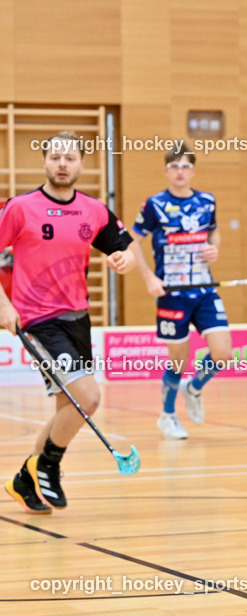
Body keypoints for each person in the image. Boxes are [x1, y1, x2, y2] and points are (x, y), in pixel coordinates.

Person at [0, 131, 136, 513]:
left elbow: (126, 246)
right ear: (45, 161)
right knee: (87, 398)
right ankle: (48, 466)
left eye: (70, 158)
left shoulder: (93, 210)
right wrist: (4, 305)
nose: (63, 164)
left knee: (68, 409)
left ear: (81, 164)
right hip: (39, 321)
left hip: (78, 319)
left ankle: (24, 481)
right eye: (56, 157)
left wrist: (124, 259)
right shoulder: (20, 208)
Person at [129, 143, 231, 439]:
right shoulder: (154, 205)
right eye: (174, 166)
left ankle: (194, 388)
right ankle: (168, 415)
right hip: (172, 293)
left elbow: (214, 231)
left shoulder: (207, 201)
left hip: (204, 289)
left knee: (223, 353)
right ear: (166, 170)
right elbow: (132, 241)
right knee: (178, 359)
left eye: (185, 166)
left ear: (193, 170)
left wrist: (214, 247)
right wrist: (149, 278)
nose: (180, 172)